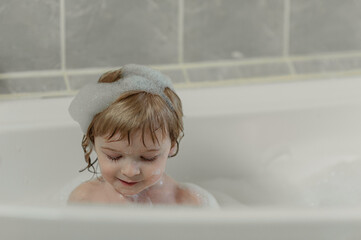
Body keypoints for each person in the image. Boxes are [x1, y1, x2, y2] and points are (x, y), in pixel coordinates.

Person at [67, 64, 218, 207]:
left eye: (148, 158)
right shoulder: (84, 200)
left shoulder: (188, 204)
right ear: (93, 143)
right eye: (114, 156)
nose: (130, 171)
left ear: (172, 145)